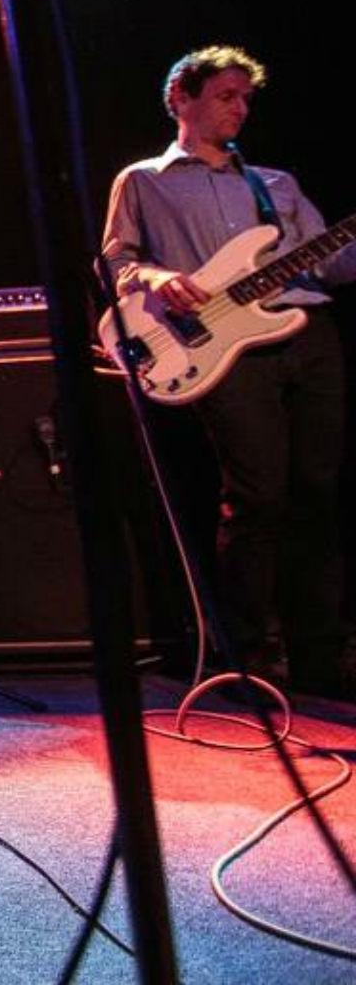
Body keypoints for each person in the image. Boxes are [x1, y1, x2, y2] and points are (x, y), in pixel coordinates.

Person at [101, 45, 354, 697]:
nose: (240, 109)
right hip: (225, 348)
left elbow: (332, 263)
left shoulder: (276, 185)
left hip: (309, 334)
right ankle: (248, 658)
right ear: (180, 98)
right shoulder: (144, 180)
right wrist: (157, 278)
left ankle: (321, 656)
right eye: (225, 96)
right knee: (258, 498)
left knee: (319, 497)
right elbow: (115, 261)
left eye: (246, 98)